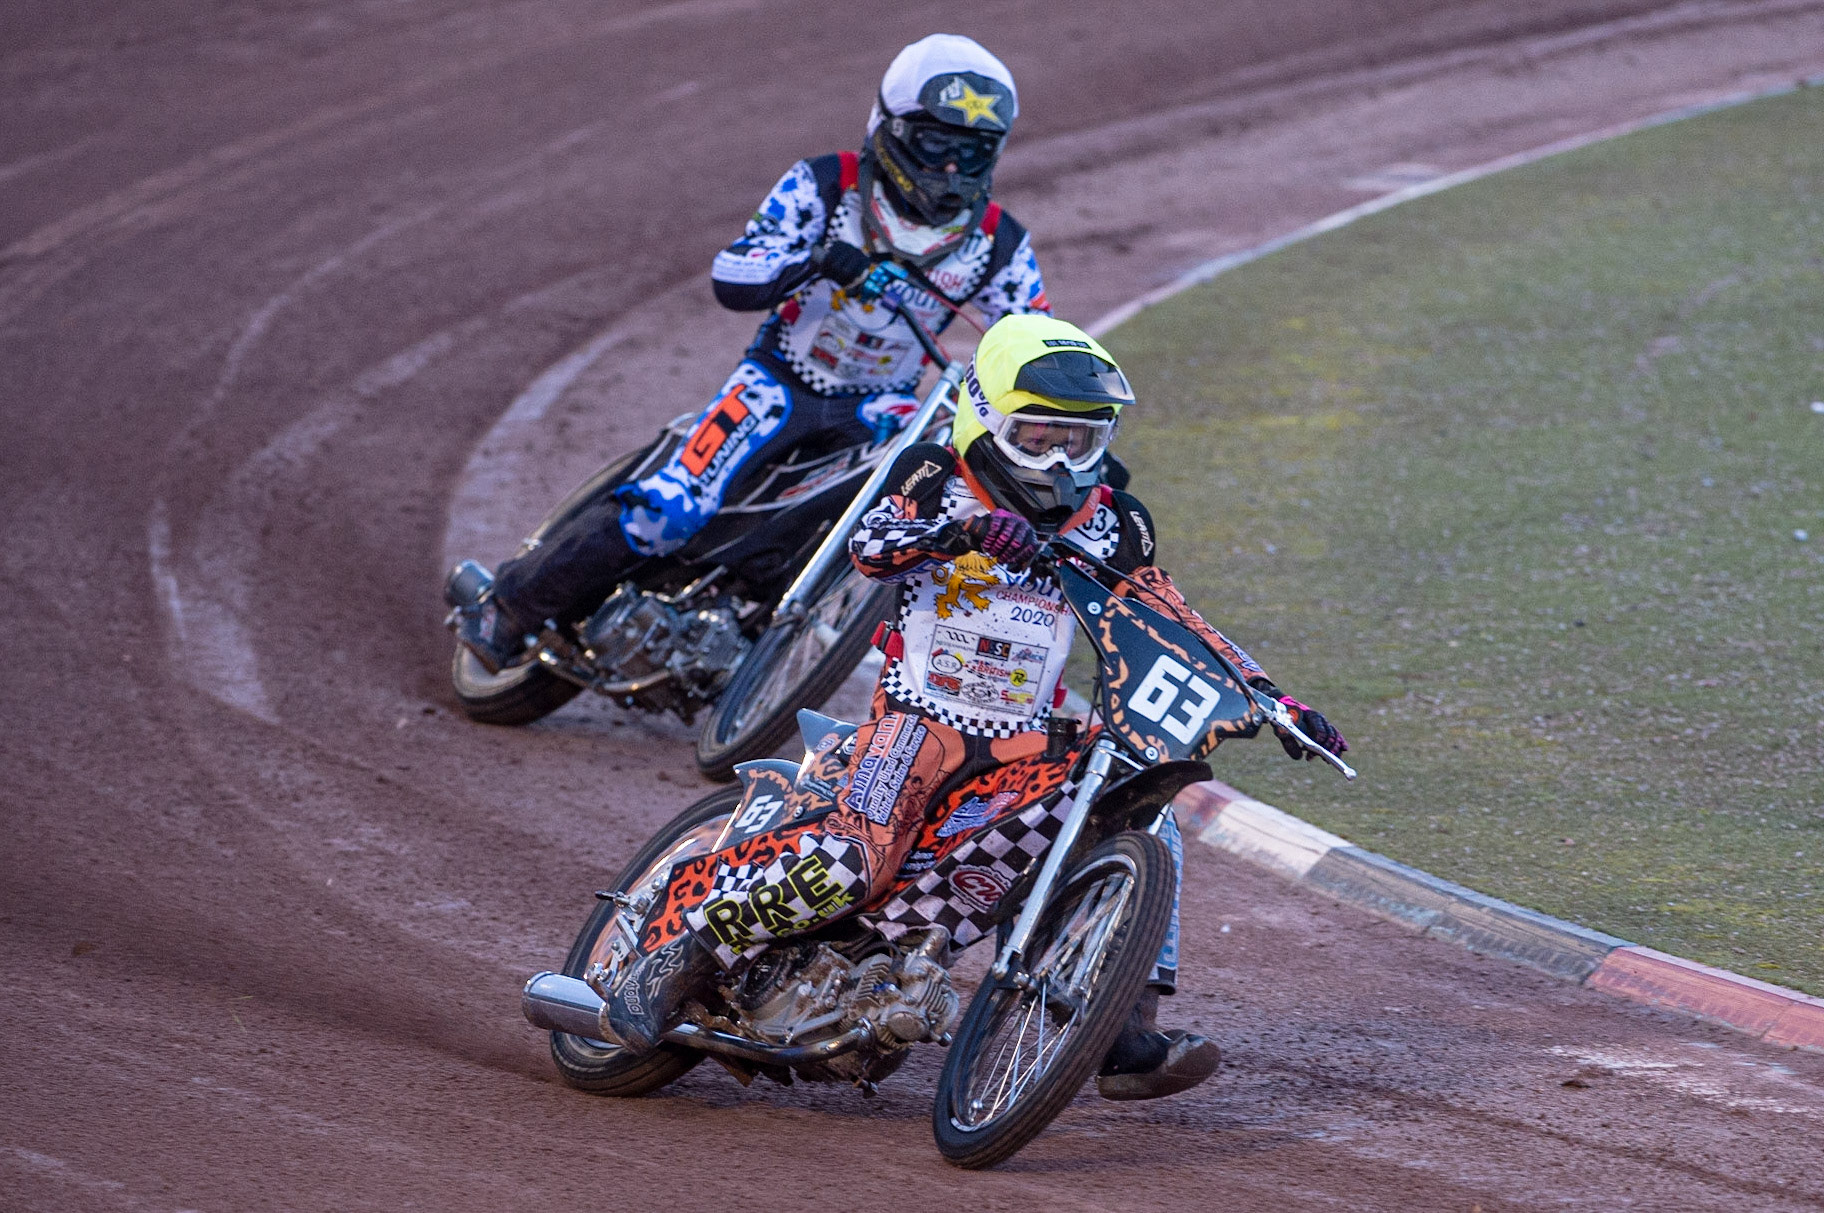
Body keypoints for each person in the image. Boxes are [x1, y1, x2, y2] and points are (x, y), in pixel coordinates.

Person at [599, 314, 1349, 1101]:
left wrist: (1275, 698)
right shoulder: (935, 471)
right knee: (856, 860)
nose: (1059, 459)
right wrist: (961, 531)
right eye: (1036, 436)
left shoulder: (1116, 518)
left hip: (1028, 736)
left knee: (1142, 813)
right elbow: (871, 546)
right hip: (916, 723)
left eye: (1079, 440)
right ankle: (680, 953)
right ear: (986, 416)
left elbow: (1171, 615)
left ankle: (1123, 1028)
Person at [451, 33, 1051, 671]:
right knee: (670, 509)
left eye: (973, 150)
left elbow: (1033, 341)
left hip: (886, 408)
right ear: (893, 128)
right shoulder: (825, 186)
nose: (952, 168)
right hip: (779, 382)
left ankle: (767, 618)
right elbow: (735, 274)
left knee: (923, 505)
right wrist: (816, 259)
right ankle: (507, 605)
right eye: (936, 144)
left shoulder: (1000, 243)